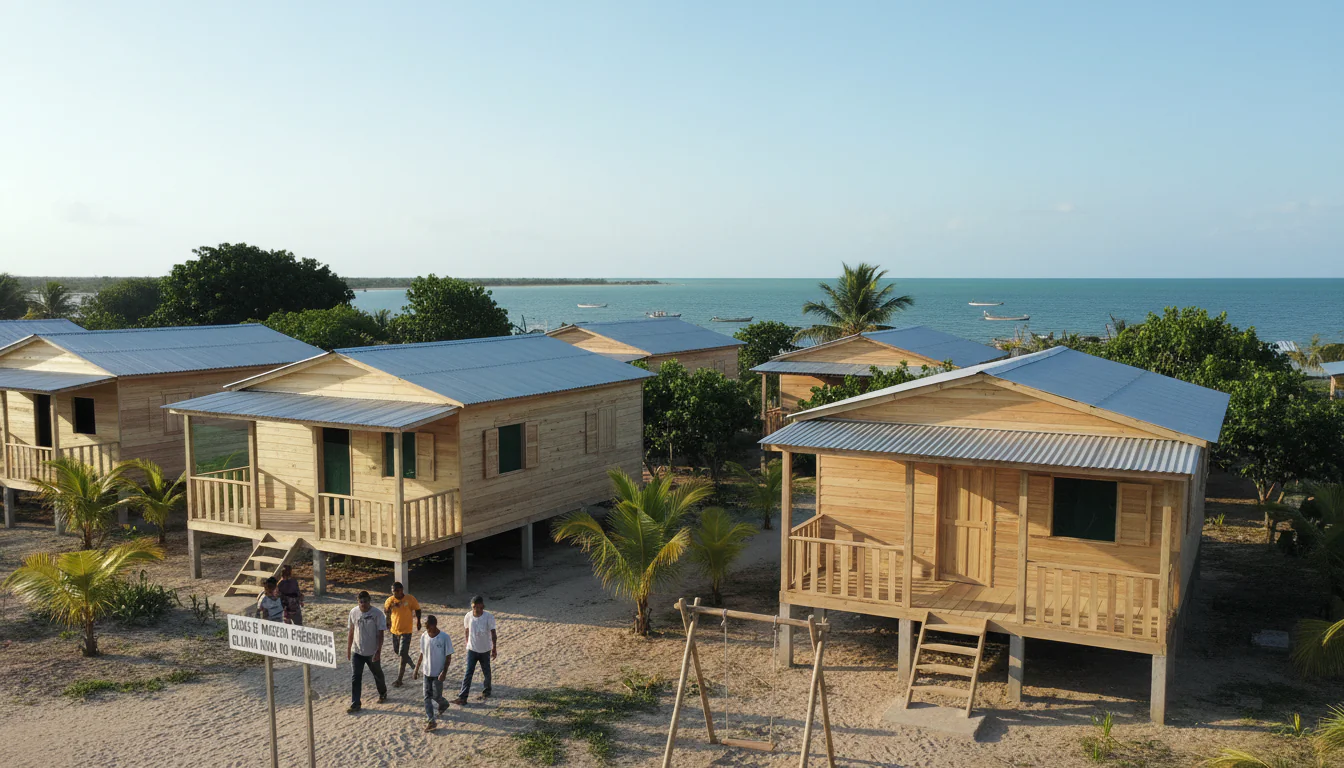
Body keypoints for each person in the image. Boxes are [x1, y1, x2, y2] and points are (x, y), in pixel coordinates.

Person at [346, 590, 388, 713]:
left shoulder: (377, 614)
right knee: (355, 677)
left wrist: (378, 651)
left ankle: (383, 692)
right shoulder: (353, 612)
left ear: (370, 601)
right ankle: (355, 703)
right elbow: (351, 631)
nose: (363, 604)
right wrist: (349, 649)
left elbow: (381, 634)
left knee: (377, 674)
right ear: (358, 602)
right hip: (357, 651)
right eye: (361, 602)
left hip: (372, 651)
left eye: (365, 601)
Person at [454, 596, 496, 705]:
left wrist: (494, 648)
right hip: (472, 649)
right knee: (468, 673)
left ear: (482, 606)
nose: (476, 609)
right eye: (474, 607)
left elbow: (493, 633)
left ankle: (487, 690)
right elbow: (466, 630)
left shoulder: (489, 617)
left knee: (486, 671)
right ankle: (463, 697)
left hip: (485, 649)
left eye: (478, 606)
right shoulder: (468, 616)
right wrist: (467, 642)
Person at [414, 615, 453, 731]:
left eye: (426, 626)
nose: (425, 628)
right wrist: (416, 670)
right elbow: (422, 653)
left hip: (438, 672)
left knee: (436, 696)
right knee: (427, 696)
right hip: (427, 672)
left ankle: (444, 703)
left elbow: (448, 656)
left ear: (433, 624)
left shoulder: (444, 637)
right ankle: (431, 720)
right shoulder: (424, 636)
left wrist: (444, 672)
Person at [383, 581, 421, 687]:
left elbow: (417, 609)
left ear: (401, 590)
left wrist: (418, 621)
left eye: (396, 591)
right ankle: (414, 666)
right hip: (395, 630)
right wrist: (388, 615)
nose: (394, 593)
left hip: (406, 631)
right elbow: (386, 611)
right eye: (393, 591)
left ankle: (399, 679)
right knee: (398, 651)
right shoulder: (390, 600)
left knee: (403, 654)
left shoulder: (409, 599)